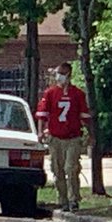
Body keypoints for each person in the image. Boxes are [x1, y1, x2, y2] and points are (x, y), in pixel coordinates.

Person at [35, 61, 93, 212]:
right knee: (57, 169)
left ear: (68, 75)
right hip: (55, 138)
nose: (58, 76)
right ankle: (62, 199)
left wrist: (90, 134)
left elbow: (85, 117)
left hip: (73, 138)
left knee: (71, 168)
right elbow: (43, 114)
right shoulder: (50, 93)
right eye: (57, 73)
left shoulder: (78, 94)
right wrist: (41, 131)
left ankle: (74, 199)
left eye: (61, 73)